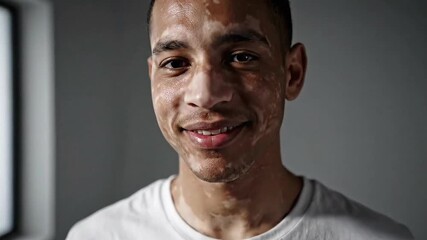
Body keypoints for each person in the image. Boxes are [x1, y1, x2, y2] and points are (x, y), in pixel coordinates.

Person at [66, 0, 414, 239]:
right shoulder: (96, 235)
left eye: (241, 57)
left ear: (292, 73)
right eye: (175, 63)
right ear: (152, 77)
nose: (204, 94)